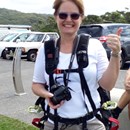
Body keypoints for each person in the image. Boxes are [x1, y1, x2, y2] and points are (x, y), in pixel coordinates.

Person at [32, 0, 121, 130]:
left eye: (74, 16)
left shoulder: (94, 46)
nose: (68, 20)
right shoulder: (45, 49)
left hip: (91, 122)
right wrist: (47, 95)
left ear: (81, 18)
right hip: (54, 123)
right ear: (55, 16)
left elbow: (107, 85)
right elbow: (36, 85)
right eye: (63, 15)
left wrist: (115, 54)